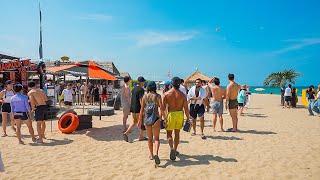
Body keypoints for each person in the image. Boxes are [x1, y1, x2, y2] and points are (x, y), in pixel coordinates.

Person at [163, 77, 190, 160]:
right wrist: (188, 118)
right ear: (180, 84)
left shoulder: (166, 94)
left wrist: (163, 118)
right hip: (180, 114)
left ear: (171, 84)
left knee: (169, 134)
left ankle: (171, 148)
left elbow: (163, 108)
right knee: (177, 134)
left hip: (171, 114)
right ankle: (175, 150)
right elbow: (186, 108)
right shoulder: (182, 95)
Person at [138, 81, 163, 164]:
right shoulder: (158, 96)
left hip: (147, 119)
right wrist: (162, 118)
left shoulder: (144, 97)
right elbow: (162, 109)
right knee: (156, 138)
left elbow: (141, 110)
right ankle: (156, 153)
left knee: (149, 138)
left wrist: (139, 120)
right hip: (156, 118)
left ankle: (151, 155)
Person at [123, 76, 146, 142]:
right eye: (143, 82)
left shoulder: (134, 89)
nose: (144, 83)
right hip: (138, 109)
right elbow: (141, 100)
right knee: (141, 122)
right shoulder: (141, 90)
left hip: (133, 108)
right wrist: (143, 109)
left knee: (134, 122)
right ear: (141, 82)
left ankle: (126, 133)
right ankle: (141, 137)